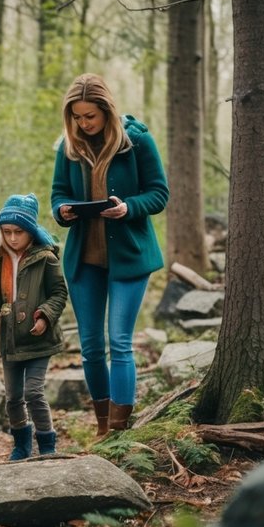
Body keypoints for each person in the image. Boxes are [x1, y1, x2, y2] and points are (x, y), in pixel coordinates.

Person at [50, 73, 168, 437]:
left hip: (129, 258)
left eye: (90, 117)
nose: (84, 124)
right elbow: (56, 194)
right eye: (77, 117)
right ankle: (101, 426)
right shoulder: (67, 147)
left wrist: (128, 207)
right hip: (85, 261)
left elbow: (159, 193)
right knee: (89, 347)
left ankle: (119, 430)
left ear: (107, 112)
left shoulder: (137, 141)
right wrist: (63, 211)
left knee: (119, 342)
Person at [0, 194, 68, 460]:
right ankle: (21, 445)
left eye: (19, 232)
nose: (13, 238)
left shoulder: (45, 258)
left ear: (31, 231)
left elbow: (59, 293)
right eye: (7, 232)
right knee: (13, 397)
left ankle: (47, 444)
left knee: (33, 392)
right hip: (11, 340)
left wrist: (45, 317)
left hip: (39, 339)